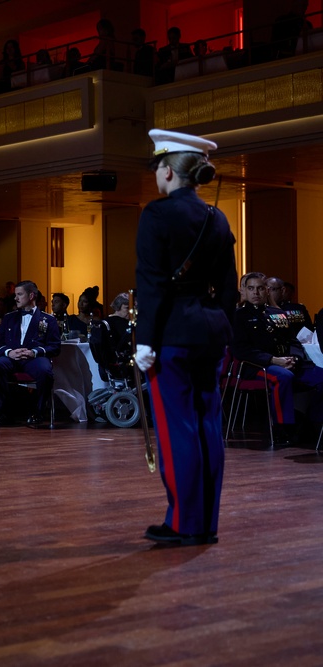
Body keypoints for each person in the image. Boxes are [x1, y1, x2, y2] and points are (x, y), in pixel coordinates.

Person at [134, 129, 238, 546]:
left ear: (168, 171)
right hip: (211, 331)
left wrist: (145, 340)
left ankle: (184, 524)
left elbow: (152, 283)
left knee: (178, 428)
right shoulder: (218, 217)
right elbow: (229, 286)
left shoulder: (156, 215)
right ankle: (205, 521)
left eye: (158, 166)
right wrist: (221, 326)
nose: (156, 173)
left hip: (172, 334)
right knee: (207, 425)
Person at [231, 272, 323, 445]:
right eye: (251, 289)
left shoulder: (277, 314)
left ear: (267, 291)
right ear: (244, 291)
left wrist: (294, 358)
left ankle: (311, 425)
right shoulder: (238, 316)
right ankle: (282, 428)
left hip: (286, 362)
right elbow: (241, 350)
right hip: (255, 366)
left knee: (320, 376)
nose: (256, 293)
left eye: (260, 288)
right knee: (283, 377)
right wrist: (274, 360)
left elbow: (293, 340)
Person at [0, 280, 61, 425]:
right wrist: (9, 352)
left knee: (45, 371)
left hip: (34, 358)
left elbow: (55, 347)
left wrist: (34, 352)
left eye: (19, 294)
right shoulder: (9, 318)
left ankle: (38, 412)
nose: (16, 298)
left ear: (31, 295)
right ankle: (3, 412)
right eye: (16, 295)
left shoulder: (48, 319)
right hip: (11, 358)